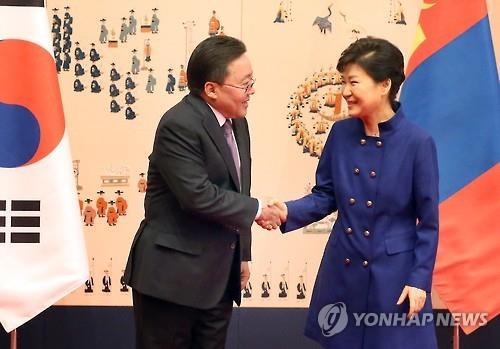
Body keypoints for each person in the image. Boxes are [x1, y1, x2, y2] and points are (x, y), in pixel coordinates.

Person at [265, 37, 439, 349]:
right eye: (343, 81)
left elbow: (428, 223)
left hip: (395, 279)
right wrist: (287, 211)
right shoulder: (341, 133)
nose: (344, 91)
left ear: (384, 84)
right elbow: (326, 195)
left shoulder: (417, 143)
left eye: (353, 81)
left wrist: (419, 279)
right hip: (344, 269)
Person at [124, 35, 281, 349]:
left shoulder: (238, 123)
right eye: (245, 84)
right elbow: (198, 195)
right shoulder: (178, 124)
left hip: (219, 279)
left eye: (252, 81)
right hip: (170, 282)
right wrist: (259, 209)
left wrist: (243, 255)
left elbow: (238, 189)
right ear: (211, 89)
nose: (252, 91)